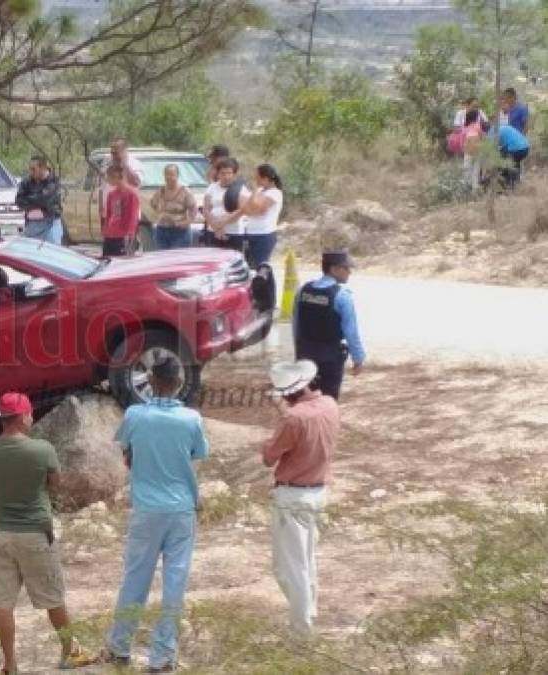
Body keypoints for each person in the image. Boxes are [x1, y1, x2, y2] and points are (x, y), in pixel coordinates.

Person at [0, 392, 96, 673]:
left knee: (3, 603)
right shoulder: (42, 450)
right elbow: (56, 485)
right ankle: (69, 651)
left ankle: (10, 664)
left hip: (0, 533)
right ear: (20, 418)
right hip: (35, 533)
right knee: (53, 598)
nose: (32, 418)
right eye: (30, 414)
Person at [101, 354, 209, 673]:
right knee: (175, 581)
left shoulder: (135, 414)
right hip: (180, 509)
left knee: (135, 578)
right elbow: (197, 453)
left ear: (151, 382)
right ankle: (162, 656)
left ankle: (119, 645)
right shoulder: (191, 419)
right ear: (178, 383)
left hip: (146, 509)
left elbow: (126, 451)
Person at [262, 360, 340, 638]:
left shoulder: (292, 419)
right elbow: (301, 421)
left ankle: (301, 632)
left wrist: (279, 417)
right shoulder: (330, 405)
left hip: (292, 496)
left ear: (284, 393)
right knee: (306, 562)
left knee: (289, 570)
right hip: (318, 492)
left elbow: (268, 457)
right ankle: (308, 615)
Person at [292, 251, 365, 401]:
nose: (349, 272)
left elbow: (295, 323)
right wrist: (358, 358)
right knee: (328, 401)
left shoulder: (303, 291)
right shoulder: (342, 296)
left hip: (305, 353)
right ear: (334, 269)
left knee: (305, 400)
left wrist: (298, 350)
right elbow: (351, 331)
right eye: (346, 268)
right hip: (330, 356)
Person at [234, 164, 284, 268]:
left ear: (265, 178)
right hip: (250, 233)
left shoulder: (274, 193)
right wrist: (253, 199)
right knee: (250, 266)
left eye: (257, 177)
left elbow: (259, 208)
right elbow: (246, 208)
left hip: (264, 234)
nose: (255, 180)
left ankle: (268, 284)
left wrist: (254, 192)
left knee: (261, 266)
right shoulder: (260, 191)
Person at [15, 156, 64, 245]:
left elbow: (45, 200)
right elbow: (19, 201)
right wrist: (36, 200)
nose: (31, 172)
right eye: (30, 169)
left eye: (34, 169)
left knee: (50, 255)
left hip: (50, 225)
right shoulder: (26, 182)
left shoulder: (53, 182)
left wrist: (29, 199)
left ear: (43, 168)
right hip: (31, 226)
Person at [148, 164, 198, 250]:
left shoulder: (185, 191)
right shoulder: (161, 190)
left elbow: (193, 210)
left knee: (177, 259)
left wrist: (186, 222)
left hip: (180, 232)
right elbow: (153, 204)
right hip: (161, 230)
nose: (169, 177)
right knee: (162, 259)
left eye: (172, 174)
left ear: (177, 175)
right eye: (166, 174)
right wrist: (160, 214)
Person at [202, 158, 247, 251]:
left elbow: (241, 210)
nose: (226, 176)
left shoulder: (241, 189)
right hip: (213, 232)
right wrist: (216, 228)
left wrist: (223, 223)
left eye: (229, 173)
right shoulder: (212, 187)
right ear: (218, 174)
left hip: (233, 232)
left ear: (234, 174)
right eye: (223, 173)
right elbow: (206, 209)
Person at [102, 165, 140, 257]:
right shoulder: (111, 194)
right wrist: (106, 230)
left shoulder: (131, 194)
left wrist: (129, 235)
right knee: (107, 258)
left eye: (109, 177)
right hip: (111, 234)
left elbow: (132, 217)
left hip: (123, 235)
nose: (108, 180)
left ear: (117, 177)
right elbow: (109, 214)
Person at [490, 120, 531, 188]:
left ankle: (509, 184)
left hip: (517, 149)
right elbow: (503, 145)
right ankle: (516, 182)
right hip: (526, 147)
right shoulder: (504, 127)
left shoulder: (492, 132)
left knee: (506, 163)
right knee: (515, 163)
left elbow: (492, 148)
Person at [461, 109, 487, 191]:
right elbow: (483, 138)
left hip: (468, 152)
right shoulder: (478, 126)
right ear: (476, 118)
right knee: (476, 171)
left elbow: (462, 141)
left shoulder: (465, 128)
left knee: (466, 170)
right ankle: (474, 189)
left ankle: (466, 188)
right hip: (477, 151)